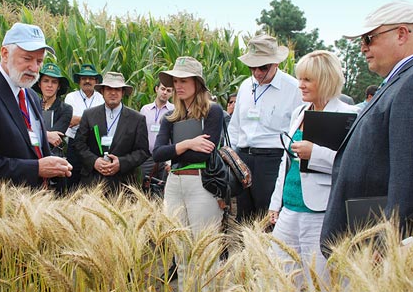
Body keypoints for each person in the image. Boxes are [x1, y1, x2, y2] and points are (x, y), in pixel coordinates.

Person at [321, 0, 413, 257]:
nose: (363, 48)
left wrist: (389, 240)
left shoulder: (409, 84)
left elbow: (406, 174)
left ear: (402, 34)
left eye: (369, 38)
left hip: (378, 242)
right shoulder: (397, 82)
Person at [268, 51, 358, 289]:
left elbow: (350, 163)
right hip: (290, 206)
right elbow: (285, 163)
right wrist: (275, 203)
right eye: (300, 78)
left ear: (326, 79)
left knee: (318, 278)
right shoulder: (300, 112)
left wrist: (315, 153)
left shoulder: (348, 115)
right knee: (281, 274)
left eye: (308, 79)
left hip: (319, 210)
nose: (301, 85)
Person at [0, 22, 72, 188]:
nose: (34, 68)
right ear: (4, 54)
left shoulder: (30, 95)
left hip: (35, 204)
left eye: (39, 61)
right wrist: (36, 168)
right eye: (27, 58)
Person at [153, 56, 224, 291]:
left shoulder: (213, 112)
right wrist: (187, 144)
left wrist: (175, 152)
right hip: (173, 186)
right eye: (175, 81)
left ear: (198, 83)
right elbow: (157, 153)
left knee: (205, 254)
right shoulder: (170, 117)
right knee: (181, 254)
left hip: (202, 185)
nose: (178, 85)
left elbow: (204, 155)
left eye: (184, 80)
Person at [228, 34, 303, 223]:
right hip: (242, 160)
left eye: (263, 67)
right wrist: (230, 158)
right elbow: (235, 126)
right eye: (252, 67)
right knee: (242, 219)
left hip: (272, 161)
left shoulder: (293, 89)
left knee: (268, 218)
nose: (257, 72)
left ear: (276, 63)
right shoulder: (245, 86)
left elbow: (298, 129)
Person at [73, 72, 149, 192]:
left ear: (123, 92)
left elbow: (142, 151)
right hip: (92, 182)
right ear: (102, 91)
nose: (113, 93)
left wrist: (121, 163)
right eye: (109, 89)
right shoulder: (89, 115)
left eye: (117, 89)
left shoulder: (137, 119)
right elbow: (79, 144)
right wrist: (94, 161)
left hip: (123, 185)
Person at [64, 64, 105, 189]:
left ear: (96, 81)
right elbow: (70, 121)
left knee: (93, 180)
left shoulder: (102, 98)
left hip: (94, 145)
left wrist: (80, 119)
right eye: (84, 78)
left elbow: (103, 122)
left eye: (91, 78)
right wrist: (90, 119)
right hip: (74, 143)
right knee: (73, 177)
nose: (87, 81)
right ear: (79, 81)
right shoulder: (71, 97)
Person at [32, 63, 73, 155]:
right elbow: (23, 131)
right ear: (39, 84)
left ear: (58, 86)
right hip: (31, 155)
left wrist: (35, 134)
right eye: (46, 81)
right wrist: (47, 135)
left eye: (54, 82)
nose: (49, 85)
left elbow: (55, 138)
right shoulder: (31, 105)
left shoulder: (66, 109)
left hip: (53, 156)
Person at [139, 80, 174, 182]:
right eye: (162, 89)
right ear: (156, 89)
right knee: (144, 190)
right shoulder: (145, 110)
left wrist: (170, 161)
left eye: (168, 90)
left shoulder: (174, 111)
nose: (165, 92)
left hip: (166, 160)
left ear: (172, 94)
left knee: (163, 191)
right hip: (147, 158)